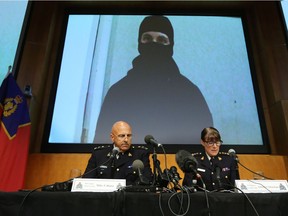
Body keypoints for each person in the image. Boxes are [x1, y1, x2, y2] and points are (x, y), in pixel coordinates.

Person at [94, 15, 213, 145]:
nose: (154, 44)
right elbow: (102, 148)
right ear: (139, 42)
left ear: (171, 45)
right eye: (147, 38)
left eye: (162, 40)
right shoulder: (118, 92)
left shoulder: (190, 94)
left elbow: (206, 147)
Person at [84, 121, 153, 186]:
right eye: (122, 136)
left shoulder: (140, 154)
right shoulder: (99, 154)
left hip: (129, 196)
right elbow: (87, 180)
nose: (126, 140)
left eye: (129, 136)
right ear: (112, 137)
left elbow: (147, 180)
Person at [182, 127, 239, 191]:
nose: (215, 146)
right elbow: (187, 187)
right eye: (210, 143)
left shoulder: (229, 160)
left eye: (217, 142)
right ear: (202, 142)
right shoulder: (193, 161)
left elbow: (236, 188)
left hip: (226, 199)